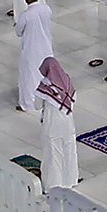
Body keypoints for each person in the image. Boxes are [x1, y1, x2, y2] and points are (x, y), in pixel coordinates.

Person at [36, 58, 79, 191]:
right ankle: (70, 180)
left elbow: (36, 105)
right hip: (68, 124)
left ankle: (53, 185)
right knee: (69, 152)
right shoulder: (66, 81)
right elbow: (74, 99)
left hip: (52, 125)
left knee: (53, 155)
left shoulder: (45, 86)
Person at [15, 0, 53, 111]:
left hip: (31, 50)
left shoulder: (25, 15)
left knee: (29, 76)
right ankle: (45, 99)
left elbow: (18, 32)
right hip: (46, 47)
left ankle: (28, 104)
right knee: (44, 75)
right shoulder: (46, 9)